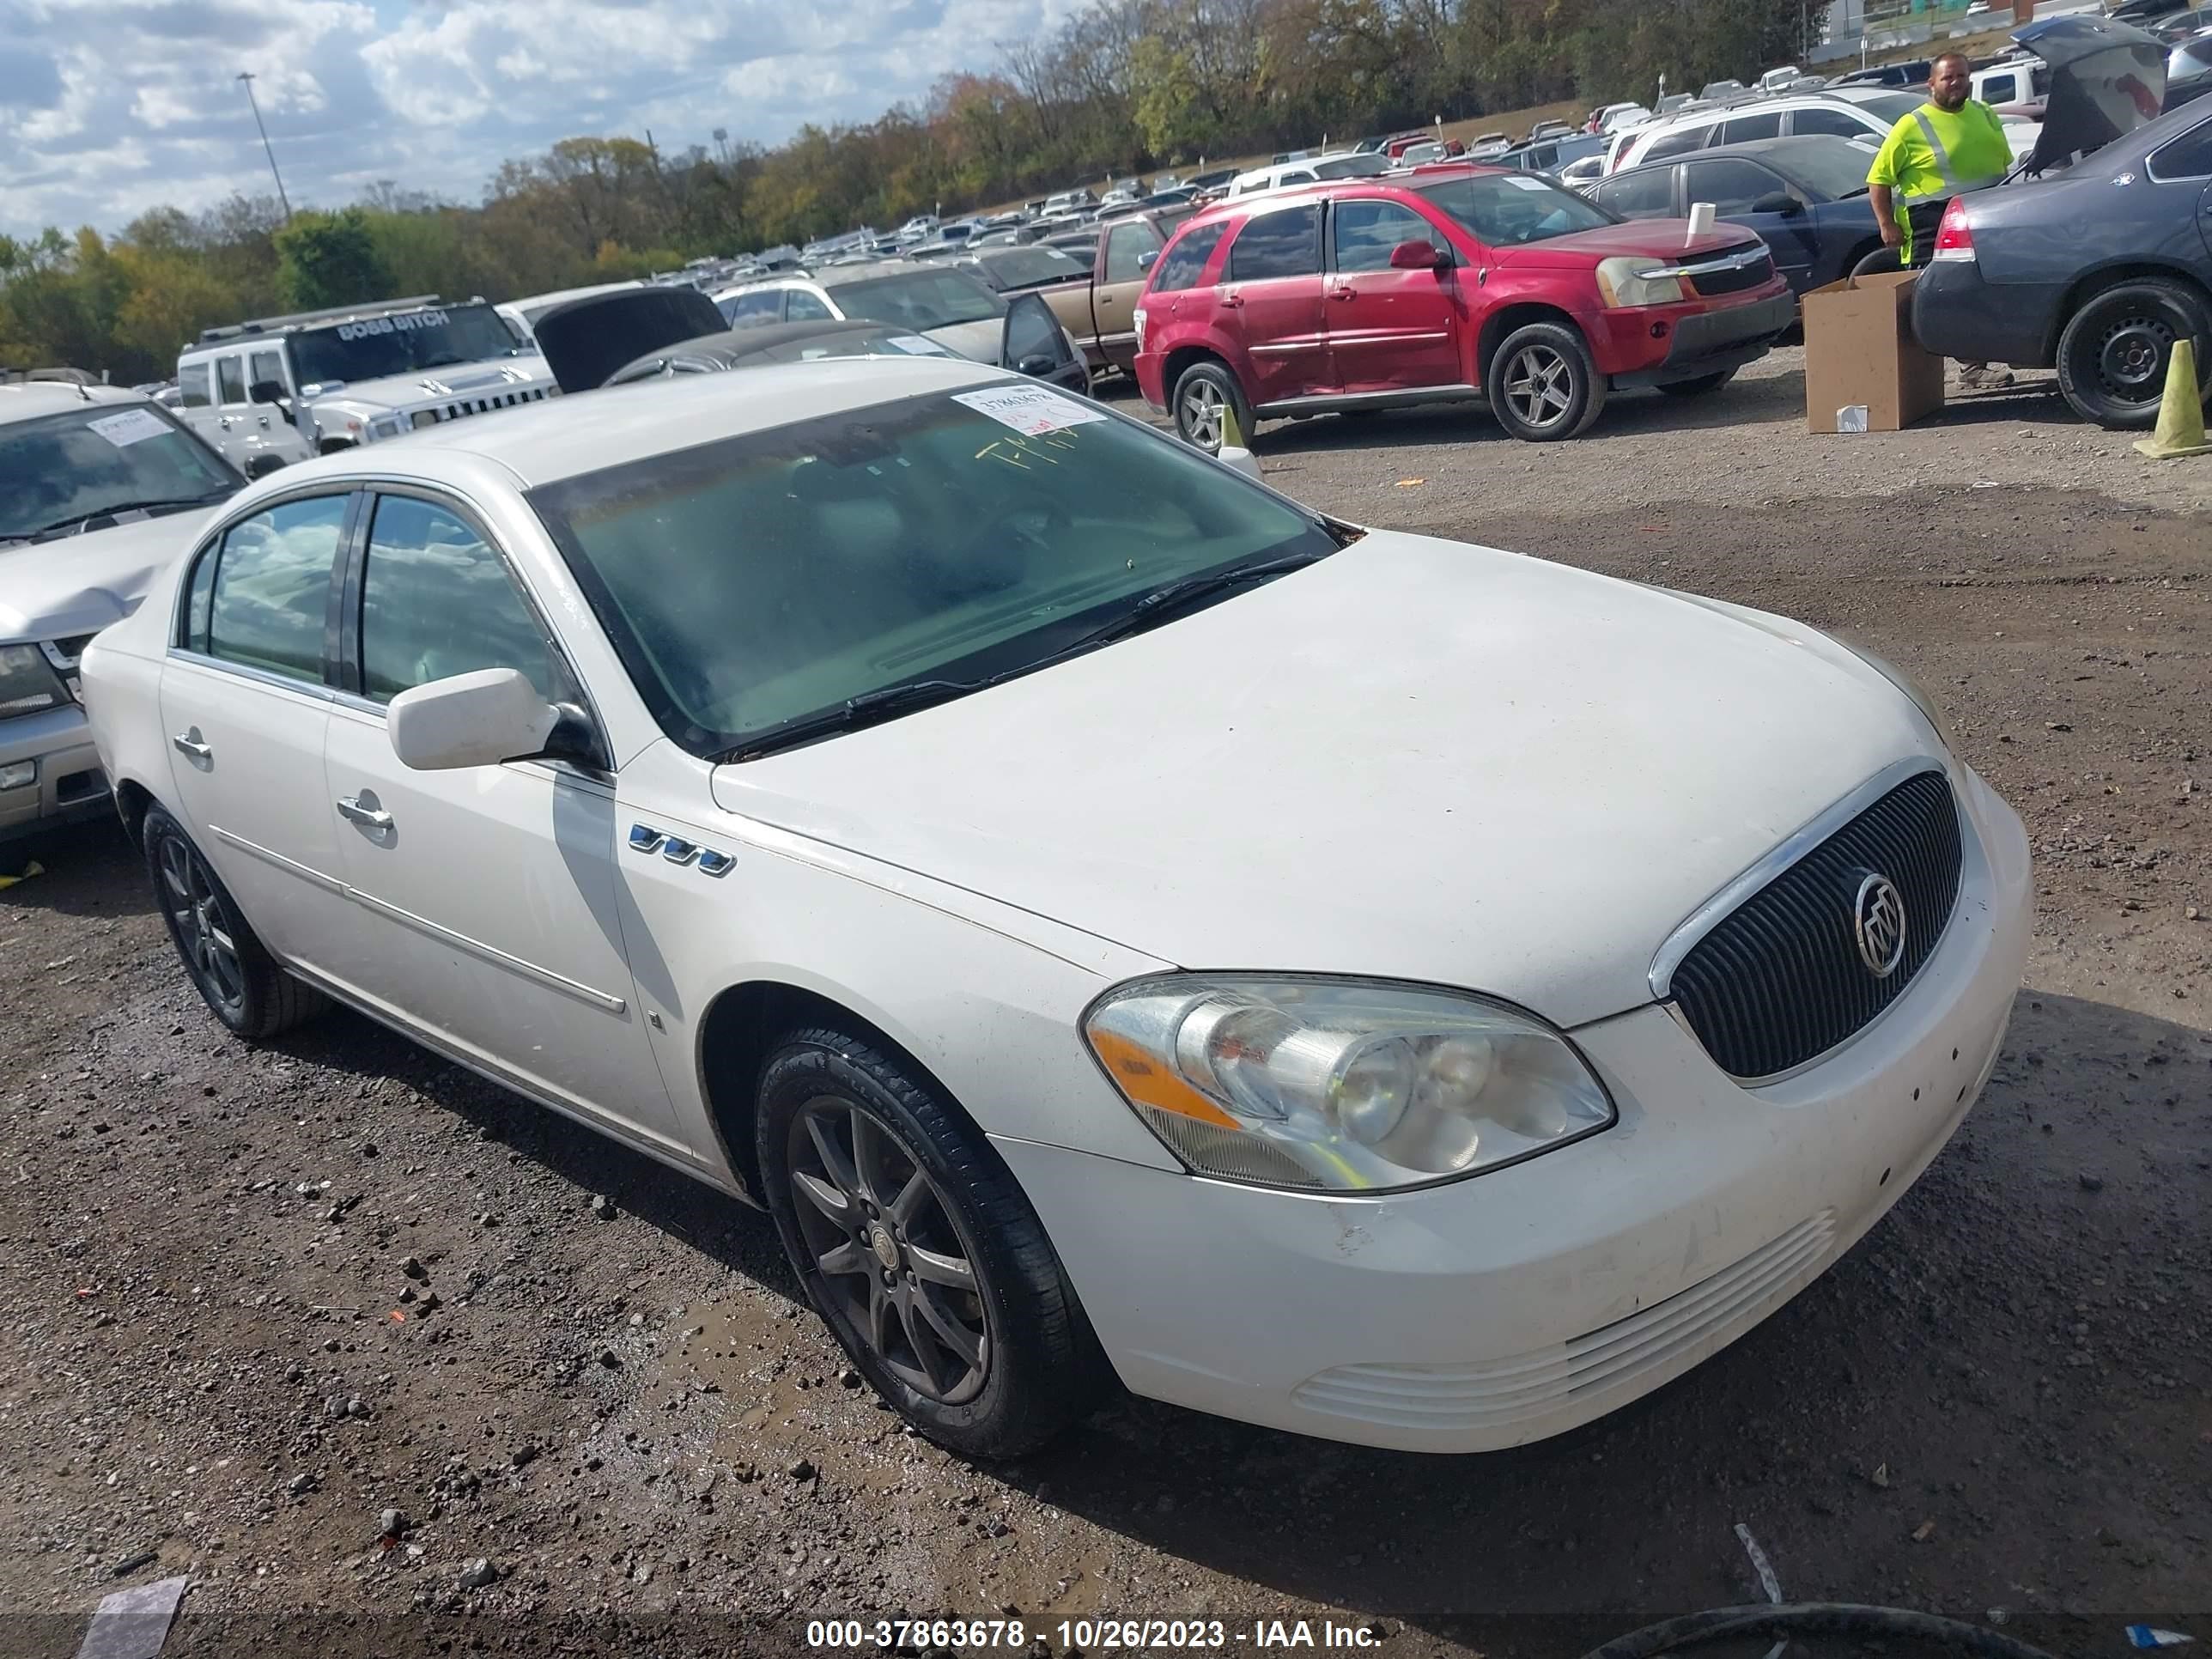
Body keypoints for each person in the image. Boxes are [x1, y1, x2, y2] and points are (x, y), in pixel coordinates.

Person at [1865, 51, 2016, 391]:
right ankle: (1970, 366)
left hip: (1986, 217)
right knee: (1945, 296)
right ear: (1931, 83)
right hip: (1932, 224)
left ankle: (1981, 358)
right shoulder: (1912, 125)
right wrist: (1886, 224)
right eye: (1948, 78)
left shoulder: (1985, 114)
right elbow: (1878, 180)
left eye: (1962, 76)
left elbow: (2001, 166)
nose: (1956, 83)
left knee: (1985, 289)